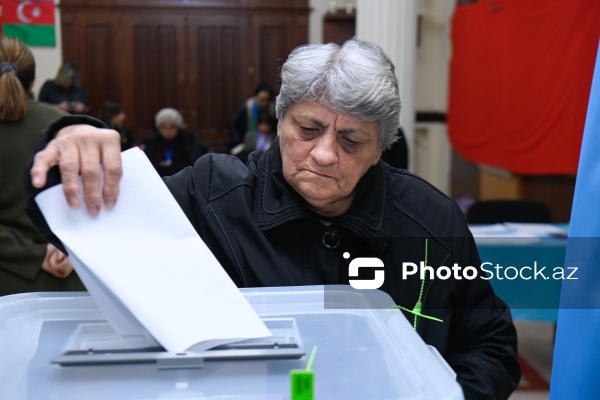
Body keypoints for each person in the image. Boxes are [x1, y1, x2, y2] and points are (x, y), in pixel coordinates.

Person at [25, 39, 520, 399]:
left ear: (380, 150)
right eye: (307, 129)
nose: (324, 154)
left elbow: (491, 345)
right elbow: (83, 221)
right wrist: (74, 142)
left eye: (351, 141)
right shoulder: (213, 192)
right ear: (279, 123)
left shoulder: (431, 221)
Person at [0, 37, 85, 296]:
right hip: (71, 277)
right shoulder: (67, 125)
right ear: (34, 81)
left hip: (11, 284)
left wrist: (36, 255)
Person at [140, 107, 207, 177]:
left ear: (178, 127)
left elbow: (194, 164)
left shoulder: (188, 142)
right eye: (164, 127)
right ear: (159, 128)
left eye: (171, 127)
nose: (168, 131)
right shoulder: (152, 143)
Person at [227, 82, 275, 149]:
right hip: (243, 142)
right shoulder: (246, 107)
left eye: (267, 100)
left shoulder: (271, 109)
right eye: (262, 100)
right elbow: (232, 123)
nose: (264, 103)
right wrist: (237, 140)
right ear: (256, 97)